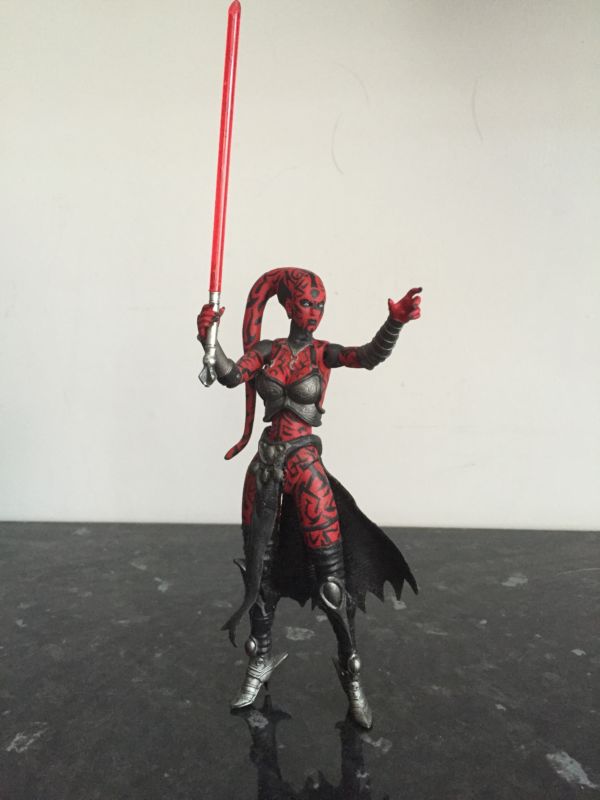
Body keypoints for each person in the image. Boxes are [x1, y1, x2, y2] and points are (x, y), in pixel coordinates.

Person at [197, 267, 422, 729]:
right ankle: (259, 661)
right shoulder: (267, 351)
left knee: (332, 583)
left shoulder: (324, 353)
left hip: (305, 465)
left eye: (320, 305)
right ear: (287, 306)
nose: (314, 312)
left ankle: (352, 677)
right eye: (305, 303)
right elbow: (230, 376)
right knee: (258, 573)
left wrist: (395, 322)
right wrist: (207, 339)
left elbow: (368, 356)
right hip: (265, 466)